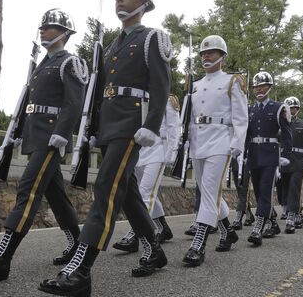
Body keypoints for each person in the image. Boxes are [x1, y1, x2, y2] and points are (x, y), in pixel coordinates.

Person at [39, 0, 172, 297]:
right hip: (111, 125)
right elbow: (99, 93)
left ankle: (80, 271)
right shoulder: (111, 45)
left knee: (106, 188)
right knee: (125, 192)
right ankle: (154, 247)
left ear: (144, 2)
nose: (120, 0)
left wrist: (152, 125)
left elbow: (161, 84)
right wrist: (92, 130)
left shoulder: (152, 38)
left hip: (132, 123)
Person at [0, 9, 88, 281]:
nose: (43, 30)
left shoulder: (69, 62)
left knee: (27, 192)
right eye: (42, 26)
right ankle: (76, 242)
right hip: (36, 136)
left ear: (64, 33)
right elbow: (28, 105)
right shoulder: (41, 64)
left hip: (52, 138)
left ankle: (1, 259)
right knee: (56, 196)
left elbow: (74, 103)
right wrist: (18, 132)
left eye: (50, 26)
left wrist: (62, 133)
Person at [182, 34, 248, 266]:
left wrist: (237, 144)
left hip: (221, 141)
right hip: (199, 141)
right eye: (203, 53)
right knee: (208, 192)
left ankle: (198, 245)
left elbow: (241, 117)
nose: (206, 56)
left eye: (211, 52)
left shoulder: (232, 81)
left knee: (209, 191)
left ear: (222, 55)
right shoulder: (195, 85)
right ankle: (227, 231)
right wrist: (187, 142)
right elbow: (189, 119)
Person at [112, 95, 180, 252]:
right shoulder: (138, 96)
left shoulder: (167, 99)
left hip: (158, 150)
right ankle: (163, 228)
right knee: (146, 194)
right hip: (139, 150)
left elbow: (174, 126)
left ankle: (134, 234)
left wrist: (172, 151)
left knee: (145, 193)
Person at [244, 71, 292, 245]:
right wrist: (243, 153)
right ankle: (272, 221)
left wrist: (285, 155)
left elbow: (287, 133)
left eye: (262, 86)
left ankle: (257, 228)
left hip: (271, 155)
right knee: (258, 191)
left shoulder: (278, 107)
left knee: (265, 190)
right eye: (256, 87)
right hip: (254, 154)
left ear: (270, 87)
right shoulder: (250, 109)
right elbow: (246, 134)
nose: (259, 90)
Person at [278, 97, 303, 234]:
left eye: (294, 108)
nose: (291, 110)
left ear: (298, 109)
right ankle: (297, 214)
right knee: (284, 188)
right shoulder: (280, 124)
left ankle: (290, 219)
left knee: (294, 188)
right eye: (288, 108)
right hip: (284, 160)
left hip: (299, 160)